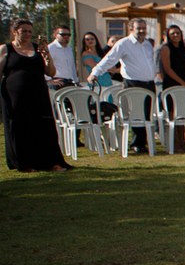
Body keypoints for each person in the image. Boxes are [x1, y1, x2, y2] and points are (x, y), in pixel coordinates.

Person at [2, 19, 72, 171]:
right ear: (15, 32)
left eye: (29, 31)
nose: (27, 34)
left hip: (38, 92)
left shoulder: (39, 48)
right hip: (15, 94)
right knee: (21, 127)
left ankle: (50, 162)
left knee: (43, 126)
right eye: (23, 31)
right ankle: (24, 163)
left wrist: (47, 58)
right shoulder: (6, 49)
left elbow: (50, 72)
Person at [87, 18, 157, 153]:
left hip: (149, 83)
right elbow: (109, 59)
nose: (142, 31)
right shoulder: (124, 43)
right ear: (131, 29)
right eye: (139, 28)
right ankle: (136, 144)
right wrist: (95, 72)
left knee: (147, 114)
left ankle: (143, 143)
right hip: (133, 82)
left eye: (144, 28)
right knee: (136, 114)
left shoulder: (147, 44)